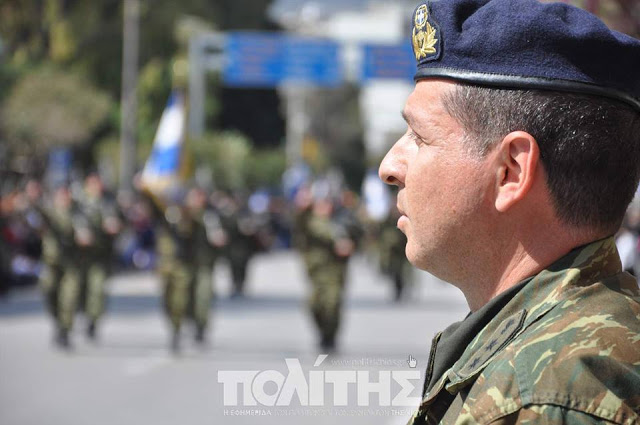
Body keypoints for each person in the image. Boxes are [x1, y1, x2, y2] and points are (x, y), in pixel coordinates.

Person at [378, 0, 640, 423]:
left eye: (419, 137)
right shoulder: (573, 349)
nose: (389, 166)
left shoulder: (545, 398)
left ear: (511, 171)